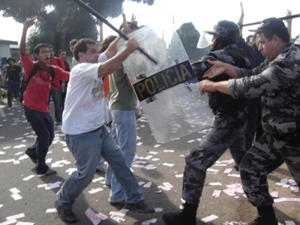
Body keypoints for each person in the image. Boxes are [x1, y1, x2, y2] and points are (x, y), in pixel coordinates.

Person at [198, 18, 300, 225]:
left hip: (295, 140)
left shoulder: (287, 61)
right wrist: (225, 67)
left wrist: (214, 86)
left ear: (276, 39)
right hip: (275, 136)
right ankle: (266, 218)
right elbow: (252, 73)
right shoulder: (275, 57)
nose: (259, 47)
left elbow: (251, 85)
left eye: (262, 42)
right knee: (250, 167)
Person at [56, 29, 154, 223]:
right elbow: (106, 68)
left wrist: (121, 35)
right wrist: (128, 50)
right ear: (81, 55)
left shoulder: (94, 61)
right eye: (92, 51)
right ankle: (63, 200)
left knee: (119, 160)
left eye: (95, 51)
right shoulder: (81, 69)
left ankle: (134, 198)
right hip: (80, 133)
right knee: (86, 173)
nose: (96, 54)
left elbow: (109, 52)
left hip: (98, 128)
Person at [162, 20, 250, 225]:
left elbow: (188, 73)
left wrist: (156, 76)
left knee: (195, 161)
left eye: (214, 36)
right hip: (242, 115)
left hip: (228, 119)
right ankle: (262, 205)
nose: (211, 41)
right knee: (244, 161)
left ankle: (187, 215)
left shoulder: (217, 57)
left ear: (222, 37)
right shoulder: (241, 54)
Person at [20, 17, 70, 176]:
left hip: (44, 109)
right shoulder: (30, 67)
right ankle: (41, 166)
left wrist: (91, 71)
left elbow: (71, 75)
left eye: (49, 52)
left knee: (50, 136)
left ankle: (33, 151)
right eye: (43, 52)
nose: (47, 54)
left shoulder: (52, 70)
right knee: (44, 136)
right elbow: (22, 51)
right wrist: (25, 29)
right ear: (36, 55)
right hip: (31, 108)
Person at [104, 16, 142, 205]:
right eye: (136, 32)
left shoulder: (118, 52)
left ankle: (111, 181)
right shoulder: (127, 56)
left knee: (117, 150)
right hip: (125, 106)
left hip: (116, 104)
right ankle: (118, 193)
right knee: (126, 152)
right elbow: (133, 82)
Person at [48, 45, 65, 125]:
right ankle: (47, 120)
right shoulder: (44, 61)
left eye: (52, 51)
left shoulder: (58, 61)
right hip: (46, 86)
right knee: (45, 104)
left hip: (56, 86)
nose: (50, 53)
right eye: (48, 51)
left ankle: (59, 120)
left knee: (58, 104)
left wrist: (63, 84)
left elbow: (63, 73)